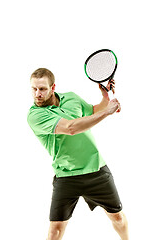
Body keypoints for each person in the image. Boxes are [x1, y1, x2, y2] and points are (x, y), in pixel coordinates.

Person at [27, 68, 129, 240]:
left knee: (118, 218)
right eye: (34, 89)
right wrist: (107, 111)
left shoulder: (71, 98)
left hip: (96, 169)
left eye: (42, 89)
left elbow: (93, 111)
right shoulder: (35, 115)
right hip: (67, 175)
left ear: (53, 87)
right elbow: (71, 128)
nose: (38, 94)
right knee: (55, 231)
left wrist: (105, 99)